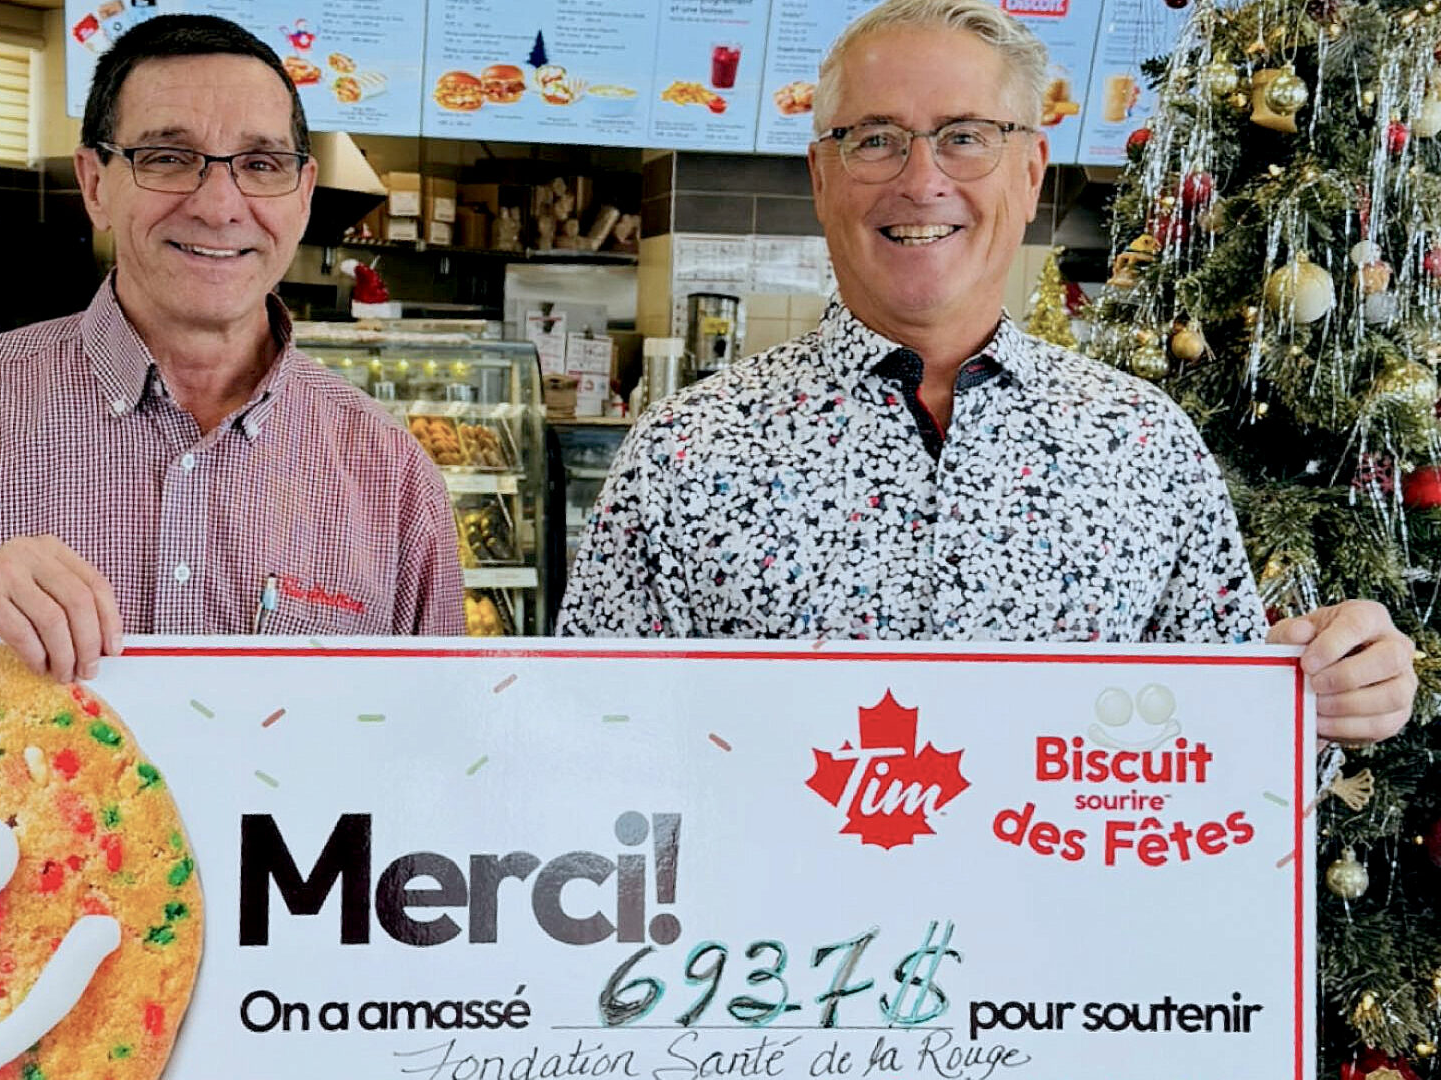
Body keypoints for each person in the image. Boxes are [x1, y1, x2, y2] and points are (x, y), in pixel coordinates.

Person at [557, 0, 1415, 745]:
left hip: (1064, 930)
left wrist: (1332, 696)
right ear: (822, 178)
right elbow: (583, 739)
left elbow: (1226, 755)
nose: (921, 180)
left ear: (1031, 171)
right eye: (876, 140)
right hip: (760, 938)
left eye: (966, 137)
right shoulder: (683, 452)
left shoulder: (1145, 445)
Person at [0, 14, 463, 678]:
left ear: (303, 195)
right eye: (167, 157)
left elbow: (446, 759)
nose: (219, 205)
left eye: (261, 163)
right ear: (96, 184)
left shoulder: (392, 479)